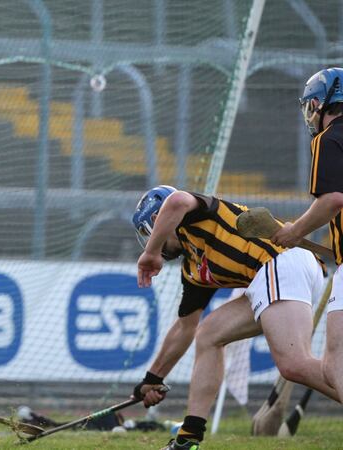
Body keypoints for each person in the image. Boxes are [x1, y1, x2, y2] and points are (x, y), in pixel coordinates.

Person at [131, 185, 337, 450]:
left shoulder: (194, 215)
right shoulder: (194, 268)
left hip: (281, 262)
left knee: (294, 364)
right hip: (274, 275)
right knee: (209, 334)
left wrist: (150, 253)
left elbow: (178, 199)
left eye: (148, 234)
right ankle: (188, 438)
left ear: (159, 222)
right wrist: (152, 380)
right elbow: (185, 329)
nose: (150, 243)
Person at [271, 67, 343, 407]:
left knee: (334, 366)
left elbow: (332, 199)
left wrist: (293, 231)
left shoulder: (328, 139)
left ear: (323, 104)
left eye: (311, 105)